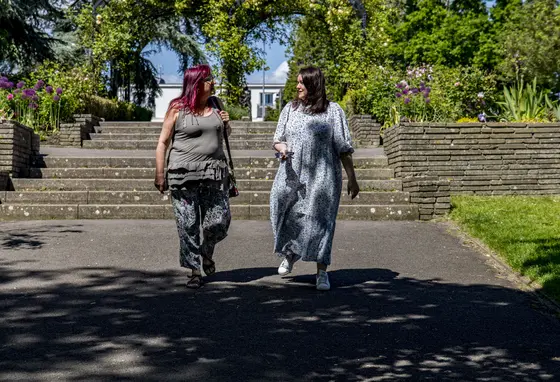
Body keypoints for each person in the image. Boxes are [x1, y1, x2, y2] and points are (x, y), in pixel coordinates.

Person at [270, 66, 359, 291]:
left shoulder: (333, 111)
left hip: (323, 175)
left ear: (313, 85)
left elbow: (343, 148)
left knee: (322, 221)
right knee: (284, 211)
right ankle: (290, 254)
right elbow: (277, 139)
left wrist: (352, 178)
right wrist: (282, 149)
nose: (297, 86)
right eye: (297, 82)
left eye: (302, 82)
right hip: (292, 174)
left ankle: (321, 272)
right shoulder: (290, 109)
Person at [154, 64, 231, 289]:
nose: (213, 83)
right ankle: (195, 270)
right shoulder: (177, 109)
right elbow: (162, 142)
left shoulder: (216, 105)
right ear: (197, 83)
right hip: (182, 175)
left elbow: (225, 134)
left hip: (214, 173)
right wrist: (160, 174)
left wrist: (227, 124)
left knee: (220, 221)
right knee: (188, 224)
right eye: (209, 79)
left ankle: (206, 252)